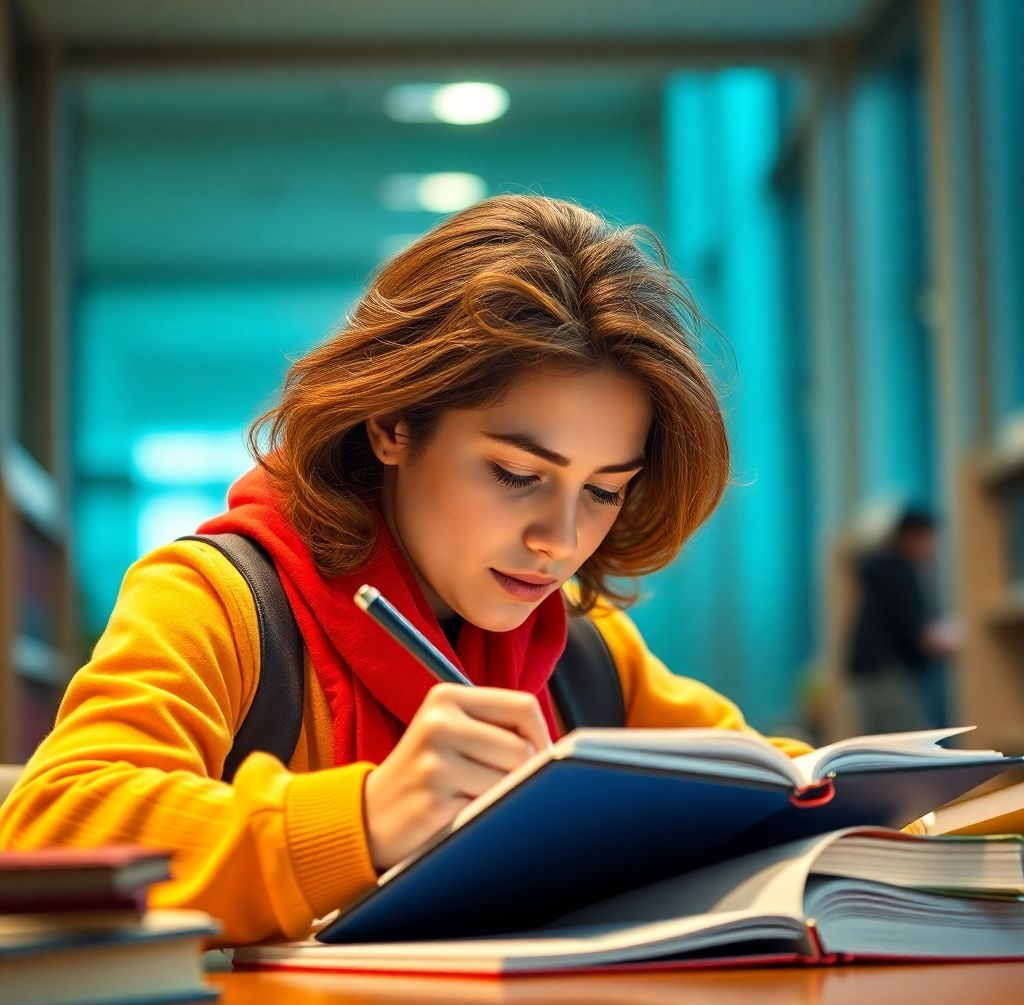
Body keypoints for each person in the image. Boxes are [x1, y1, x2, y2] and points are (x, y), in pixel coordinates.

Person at [0, 195, 809, 946]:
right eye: (517, 475)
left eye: (602, 491)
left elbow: (767, 778)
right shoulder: (219, 599)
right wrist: (364, 819)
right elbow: (49, 822)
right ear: (393, 424)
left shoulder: (585, 656)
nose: (559, 543)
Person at [846, 507, 962, 734]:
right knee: (911, 749)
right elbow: (920, 635)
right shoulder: (900, 572)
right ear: (911, 537)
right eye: (929, 539)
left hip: (872, 675)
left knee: (881, 751)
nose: (933, 548)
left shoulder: (883, 570)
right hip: (889, 675)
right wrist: (952, 638)